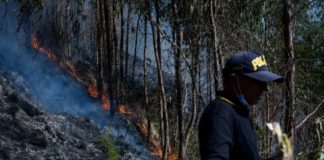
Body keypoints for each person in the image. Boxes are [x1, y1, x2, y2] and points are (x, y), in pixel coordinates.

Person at [198, 51, 283, 160]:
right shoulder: (220, 112)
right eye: (258, 81)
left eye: (265, 82)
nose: (264, 88)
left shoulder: (239, 113)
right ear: (234, 80)